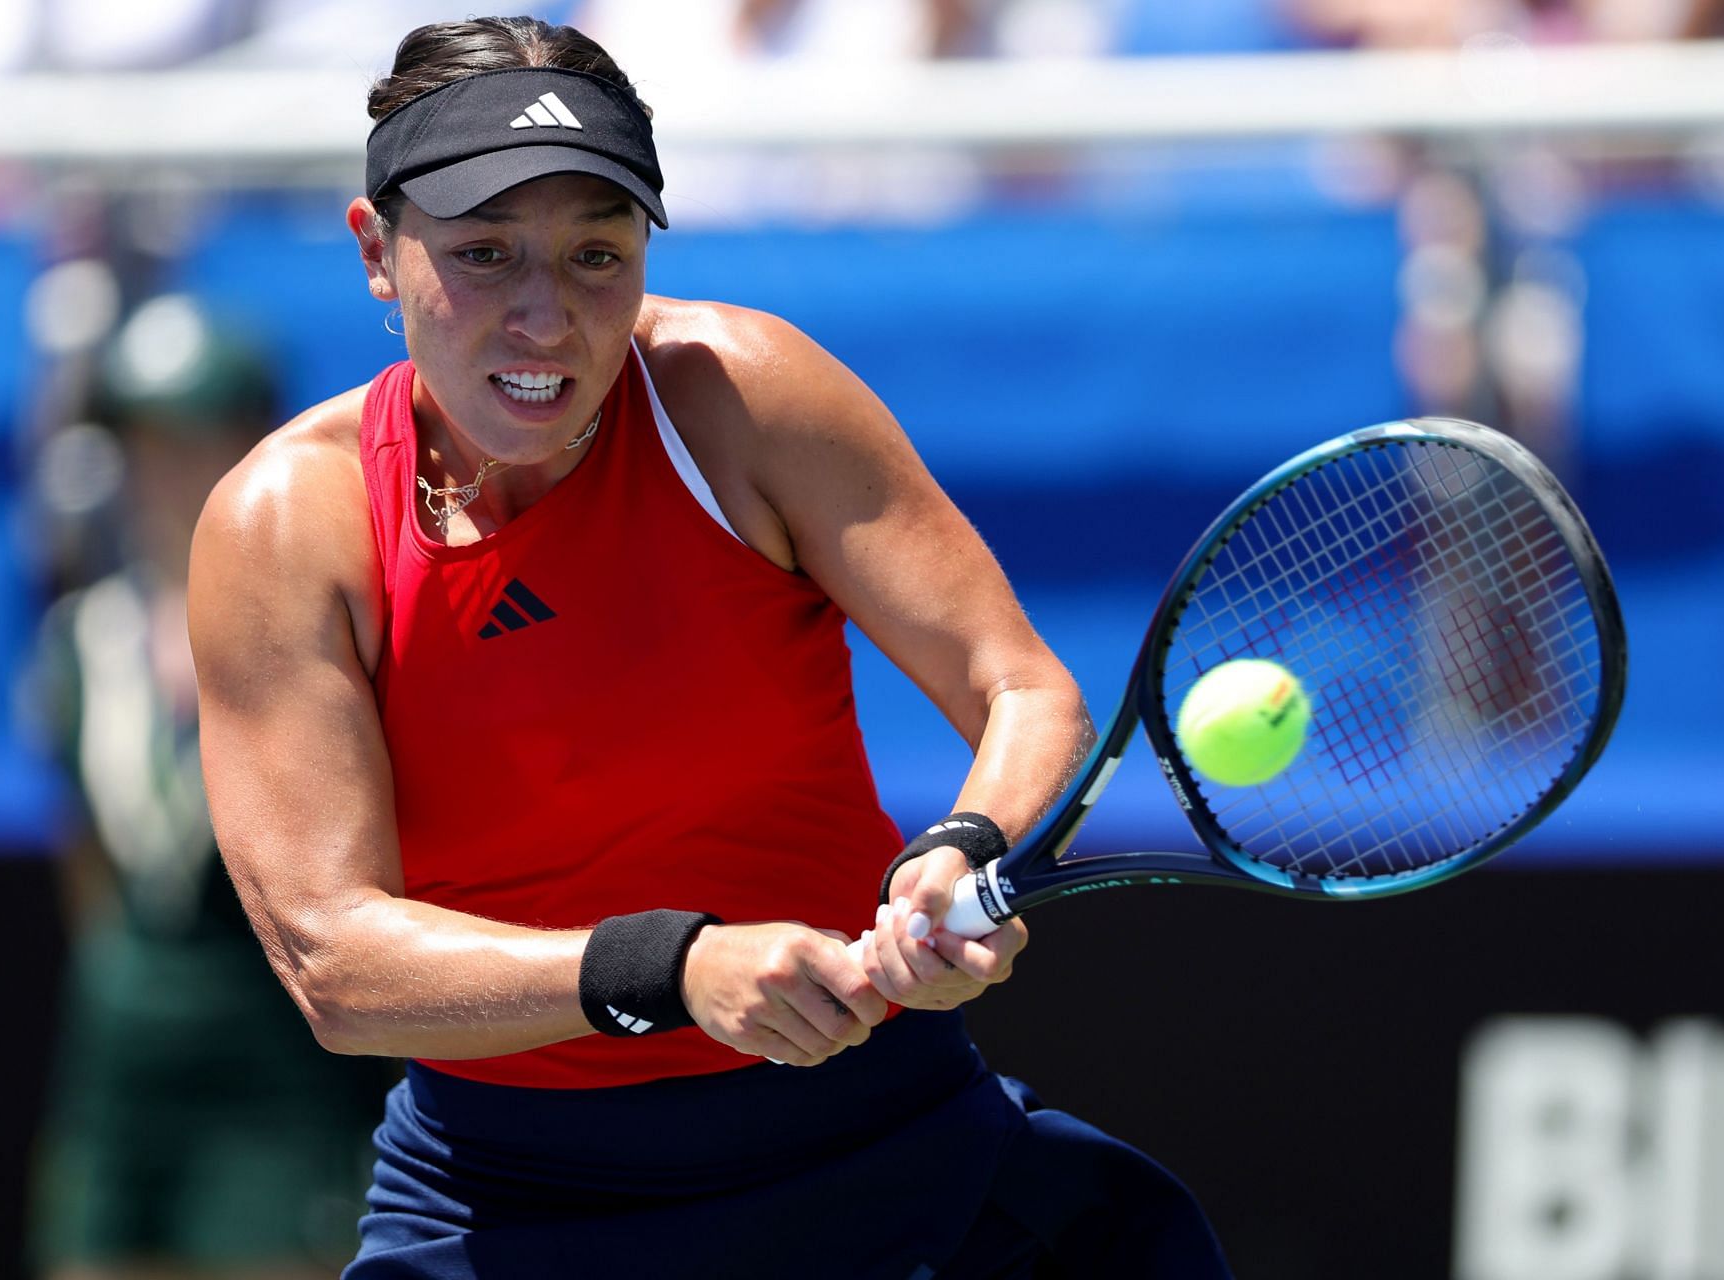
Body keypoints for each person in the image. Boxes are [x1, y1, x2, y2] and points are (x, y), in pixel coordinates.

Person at [188, 15, 1231, 1277]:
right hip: (504, 1198)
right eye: (482, 254)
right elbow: (334, 961)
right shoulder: (287, 524)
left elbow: (1017, 687)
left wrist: (964, 856)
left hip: (887, 1145)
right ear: (376, 251)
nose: (546, 317)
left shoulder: (740, 396)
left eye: (594, 253)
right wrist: (671, 966)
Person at [28, 295, 389, 1280]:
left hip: (278, 1060)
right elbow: (87, 861)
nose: (164, 478)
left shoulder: (320, 630)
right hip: (122, 1049)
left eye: (194, 445)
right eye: (144, 449)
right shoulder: (79, 642)